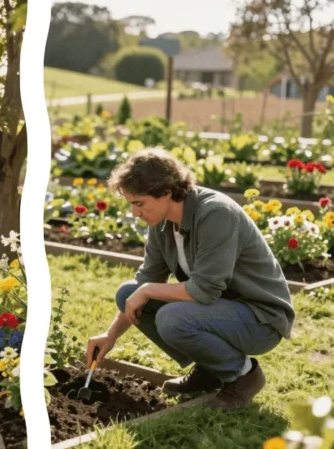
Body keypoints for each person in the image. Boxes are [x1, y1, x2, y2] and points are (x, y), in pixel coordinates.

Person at [84, 148, 295, 410]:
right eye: (131, 204)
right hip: (220, 309)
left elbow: (204, 290)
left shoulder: (216, 214)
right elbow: (145, 281)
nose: (134, 213)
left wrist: (148, 290)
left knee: (172, 318)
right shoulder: (162, 224)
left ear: (167, 193)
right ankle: (210, 370)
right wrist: (111, 335)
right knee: (128, 294)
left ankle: (244, 375)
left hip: (260, 319)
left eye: (139, 203)